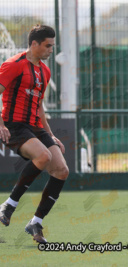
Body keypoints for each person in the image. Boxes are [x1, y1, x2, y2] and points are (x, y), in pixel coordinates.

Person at [0, 25, 68, 244]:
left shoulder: (45, 71)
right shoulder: (13, 65)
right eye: (47, 46)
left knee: (61, 170)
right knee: (43, 157)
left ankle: (36, 222)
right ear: (34, 44)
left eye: (52, 46)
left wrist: (51, 135)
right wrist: (1, 124)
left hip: (35, 126)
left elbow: (39, 106)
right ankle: (9, 205)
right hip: (13, 124)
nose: (50, 50)